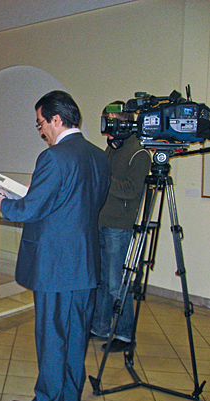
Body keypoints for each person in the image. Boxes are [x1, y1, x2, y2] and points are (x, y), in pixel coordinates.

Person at [0, 91, 110, 401]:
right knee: (76, 334)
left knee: (52, 336)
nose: (41, 130)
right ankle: (70, 399)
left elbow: (31, 208)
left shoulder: (54, 158)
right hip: (85, 261)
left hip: (55, 264)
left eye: (41, 123)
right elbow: (88, 204)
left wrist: (5, 203)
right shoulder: (98, 156)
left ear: (56, 119)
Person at [91, 102, 151, 352]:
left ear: (124, 122)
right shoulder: (112, 149)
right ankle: (100, 326)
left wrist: (104, 179)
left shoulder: (140, 154)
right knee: (103, 280)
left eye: (111, 122)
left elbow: (130, 190)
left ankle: (125, 335)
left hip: (119, 226)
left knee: (118, 283)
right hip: (101, 222)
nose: (108, 130)